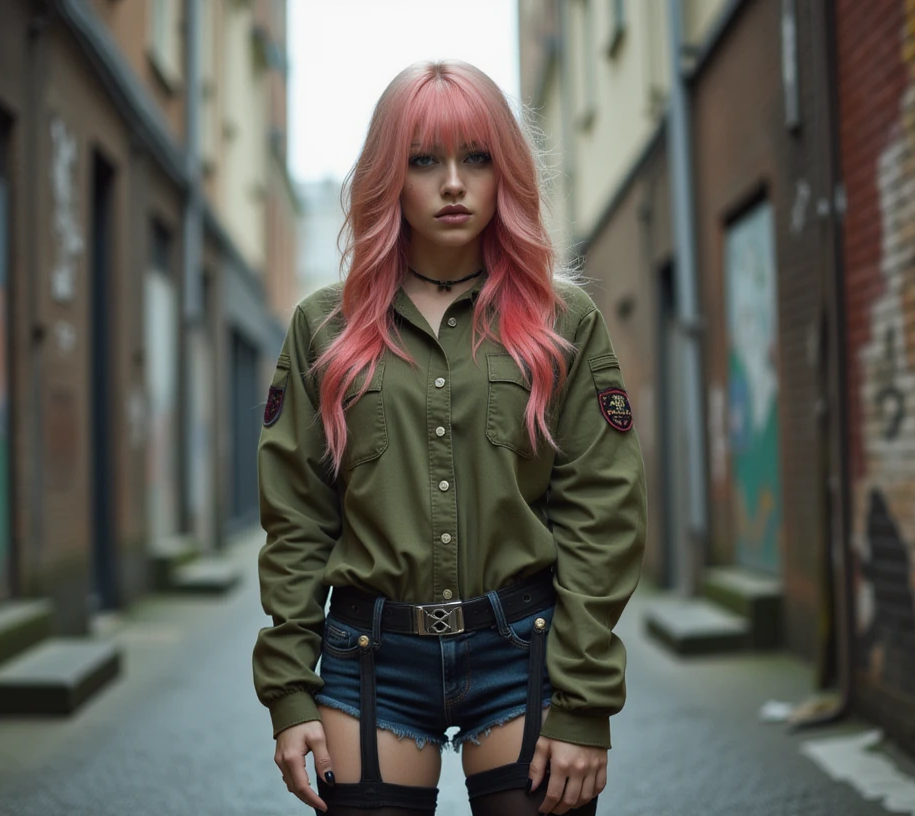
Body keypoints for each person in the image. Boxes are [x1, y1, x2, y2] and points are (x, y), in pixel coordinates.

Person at [253, 60, 646, 816]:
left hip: (523, 652)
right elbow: (298, 516)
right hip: (369, 661)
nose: (454, 183)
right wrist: (289, 693)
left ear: (506, 171)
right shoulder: (322, 327)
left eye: (477, 158)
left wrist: (585, 701)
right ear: (388, 178)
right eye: (424, 161)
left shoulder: (564, 323)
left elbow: (603, 511)